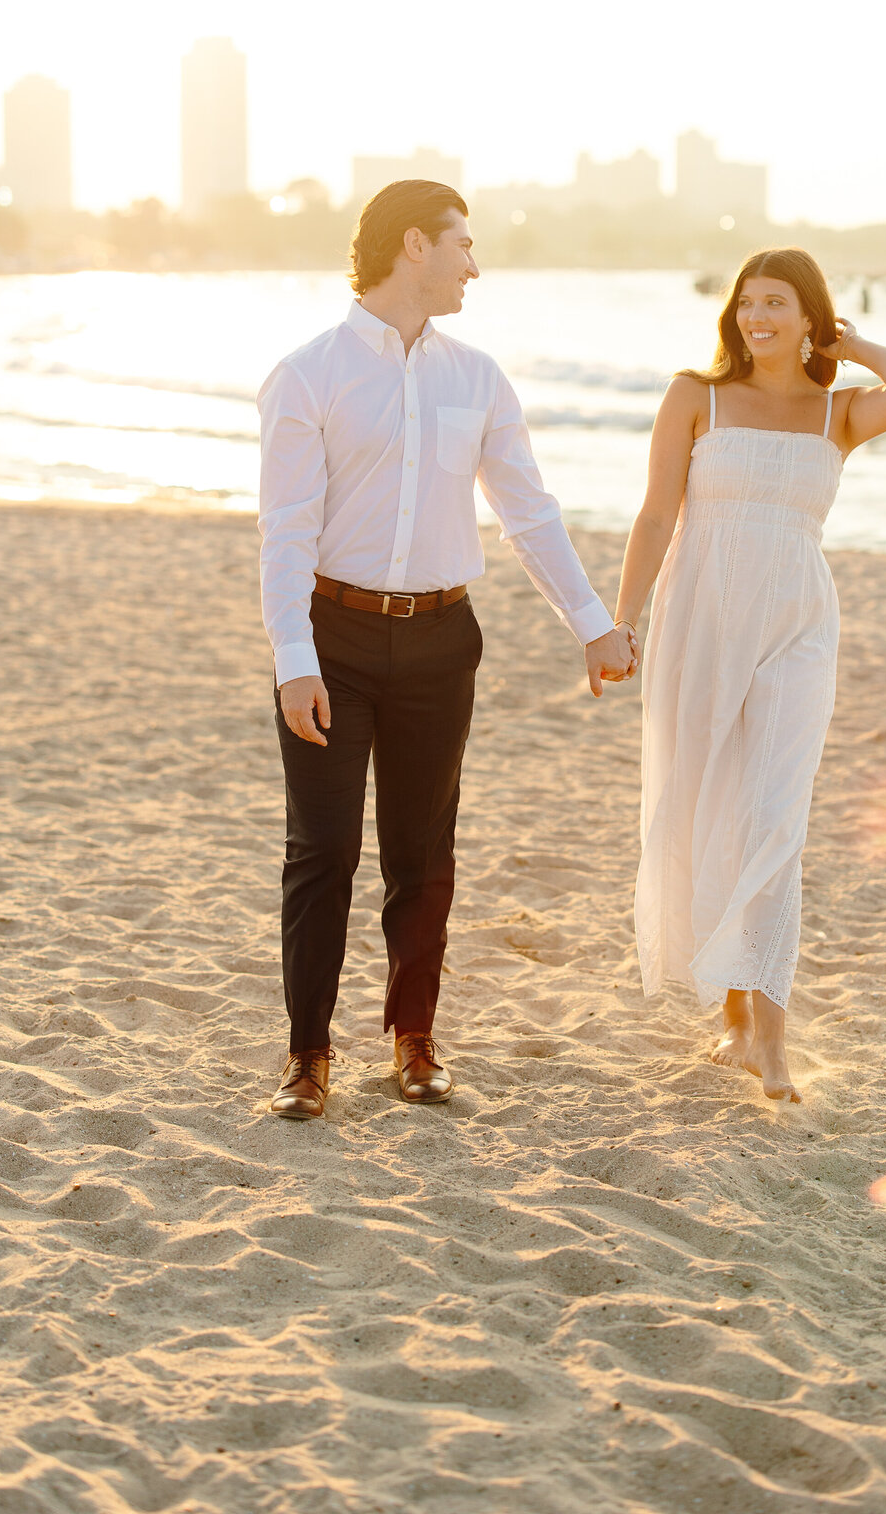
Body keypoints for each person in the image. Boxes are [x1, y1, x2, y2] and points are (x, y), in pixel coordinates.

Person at [257, 179, 636, 1117]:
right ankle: (308, 1055)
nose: (477, 262)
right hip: (333, 642)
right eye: (464, 244)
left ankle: (412, 1039)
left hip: (442, 640)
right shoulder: (307, 375)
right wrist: (293, 660)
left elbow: (528, 513)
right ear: (413, 246)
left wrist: (592, 623)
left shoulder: (480, 378)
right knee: (324, 851)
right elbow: (286, 534)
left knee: (423, 854)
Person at [614, 248, 886, 1101]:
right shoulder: (696, 395)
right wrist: (622, 621)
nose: (757, 316)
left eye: (778, 303)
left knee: (775, 817)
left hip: (798, 625)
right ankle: (730, 1010)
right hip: (702, 621)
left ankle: (771, 1038)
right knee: (710, 801)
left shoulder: (841, 412)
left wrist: (854, 346)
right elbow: (655, 514)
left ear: (810, 319)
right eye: (748, 302)